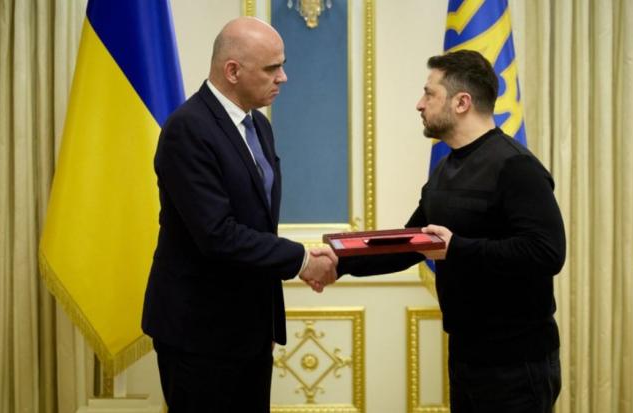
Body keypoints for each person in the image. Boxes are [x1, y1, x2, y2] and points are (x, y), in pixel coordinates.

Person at [335, 50, 566, 413]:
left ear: (462, 102)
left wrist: (457, 248)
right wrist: (338, 261)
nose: (419, 103)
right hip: (466, 355)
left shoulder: (516, 166)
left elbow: (546, 252)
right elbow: (411, 243)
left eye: (429, 94)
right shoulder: (445, 168)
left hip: (517, 364)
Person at [141, 17, 338, 412]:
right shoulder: (188, 129)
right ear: (232, 71)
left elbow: (258, 222)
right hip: (199, 334)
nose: (283, 77)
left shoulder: (259, 126)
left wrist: (266, 319)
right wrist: (302, 260)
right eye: (271, 68)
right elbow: (217, 234)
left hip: (249, 330)